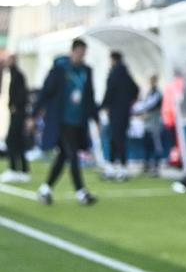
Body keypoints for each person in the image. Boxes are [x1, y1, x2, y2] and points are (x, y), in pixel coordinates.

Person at [35, 39, 97, 207]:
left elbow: (90, 97)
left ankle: (45, 189)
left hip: (78, 122)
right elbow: (45, 92)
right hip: (61, 121)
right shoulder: (60, 70)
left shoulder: (86, 71)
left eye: (84, 53)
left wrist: (95, 118)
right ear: (72, 51)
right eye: (79, 52)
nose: (81, 56)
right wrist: (34, 114)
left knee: (63, 156)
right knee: (73, 156)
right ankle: (81, 192)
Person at [101, 50, 139, 181]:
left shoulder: (114, 74)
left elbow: (109, 91)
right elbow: (136, 89)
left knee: (115, 139)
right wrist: (129, 102)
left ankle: (115, 168)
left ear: (113, 59)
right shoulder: (127, 74)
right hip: (124, 112)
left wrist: (104, 106)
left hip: (115, 111)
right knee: (121, 139)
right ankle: (120, 168)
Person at [3, 51, 30, 182]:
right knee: (18, 143)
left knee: (11, 141)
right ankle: (23, 171)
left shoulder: (18, 75)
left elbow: (22, 95)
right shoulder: (12, 74)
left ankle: (14, 169)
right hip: (17, 113)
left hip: (18, 114)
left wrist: (15, 106)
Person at [132, 76, 163, 175]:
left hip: (154, 123)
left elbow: (150, 105)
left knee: (155, 145)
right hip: (147, 124)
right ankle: (146, 164)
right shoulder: (149, 93)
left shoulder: (158, 94)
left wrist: (140, 112)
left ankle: (156, 166)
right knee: (147, 145)